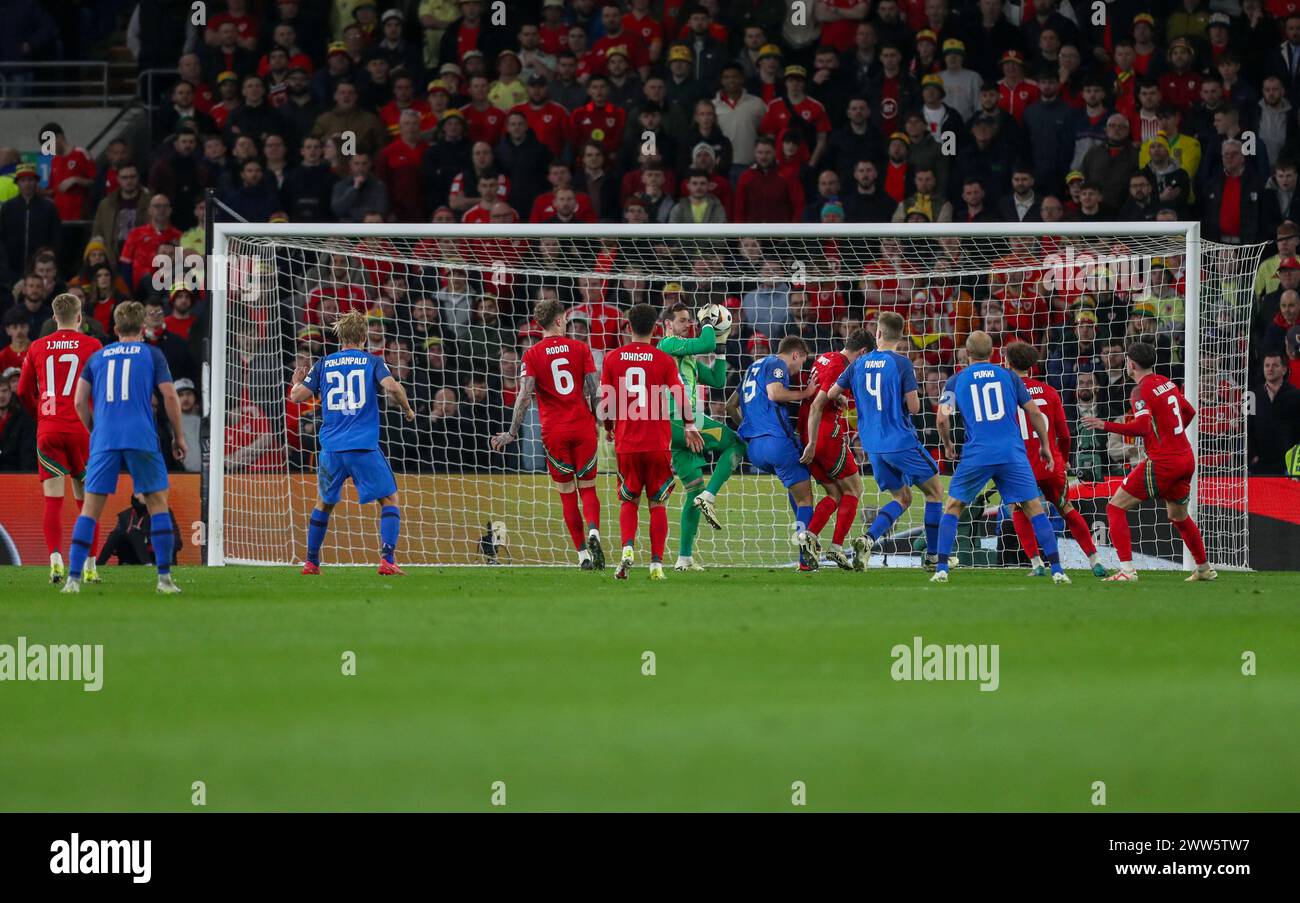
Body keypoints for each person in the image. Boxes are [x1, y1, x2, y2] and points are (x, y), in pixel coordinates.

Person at [63, 302, 186, 595]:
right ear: (142, 328)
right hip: (141, 437)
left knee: (90, 511)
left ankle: (73, 580)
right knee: (157, 505)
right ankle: (164, 580)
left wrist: (95, 429)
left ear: (115, 329)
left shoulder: (97, 357)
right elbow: (169, 396)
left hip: (105, 439)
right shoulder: (152, 354)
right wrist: (178, 436)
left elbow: (79, 401)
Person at [810, 312, 946, 570]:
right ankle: (933, 557)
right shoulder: (902, 364)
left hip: (872, 447)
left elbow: (831, 393)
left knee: (903, 497)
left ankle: (867, 538)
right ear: (900, 336)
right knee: (935, 492)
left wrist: (845, 400)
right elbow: (915, 408)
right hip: (900, 441)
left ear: (878, 334)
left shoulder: (858, 364)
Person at [934, 331, 1070, 585]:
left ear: (967, 353)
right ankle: (1058, 570)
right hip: (1011, 453)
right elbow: (1034, 412)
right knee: (1034, 509)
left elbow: (942, 418)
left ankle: (941, 568)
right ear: (994, 353)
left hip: (978, 453)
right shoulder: (1009, 376)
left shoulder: (955, 380)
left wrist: (948, 444)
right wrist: (1045, 446)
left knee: (953, 507)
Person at [289, 311, 416, 575]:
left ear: (340, 336)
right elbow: (392, 387)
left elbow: (298, 397)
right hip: (362, 447)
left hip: (332, 449)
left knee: (324, 502)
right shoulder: (371, 361)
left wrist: (296, 383)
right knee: (389, 499)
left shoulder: (323, 363)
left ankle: (311, 562)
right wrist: (407, 409)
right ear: (363, 335)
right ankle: (387, 560)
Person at [1081, 341, 1216, 582]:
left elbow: (1142, 427)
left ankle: (1127, 570)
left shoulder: (1140, 391)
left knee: (1115, 507)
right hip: (1185, 458)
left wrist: (1105, 424)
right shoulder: (1166, 382)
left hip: (1164, 461)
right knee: (1179, 516)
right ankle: (1204, 568)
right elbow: (1189, 412)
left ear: (1131, 364)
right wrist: (1170, 435)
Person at [491, 299, 605, 570]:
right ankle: (594, 533)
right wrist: (600, 420)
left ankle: (583, 556)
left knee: (566, 492)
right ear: (557, 320)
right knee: (587, 488)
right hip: (582, 427)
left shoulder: (531, 355)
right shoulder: (580, 348)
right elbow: (595, 389)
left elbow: (523, 396)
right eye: (564, 318)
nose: (566, 322)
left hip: (553, 431)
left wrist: (511, 432)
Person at [600, 302, 701, 580]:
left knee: (628, 501)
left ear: (628, 327)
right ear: (656, 328)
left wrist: (609, 428)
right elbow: (680, 395)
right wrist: (690, 425)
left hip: (627, 442)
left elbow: (606, 402)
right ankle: (656, 564)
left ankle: (628, 550)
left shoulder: (612, 358)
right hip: (657, 442)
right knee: (657, 504)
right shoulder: (663, 359)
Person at [16, 293, 103, 583]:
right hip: (81, 431)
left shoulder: (37, 347)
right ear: (80, 317)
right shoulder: (92, 345)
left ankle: (55, 560)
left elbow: (21, 392)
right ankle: (90, 566)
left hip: (49, 429)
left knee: (53, 502)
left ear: (54, 317)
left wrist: (39, 415)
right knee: (87, 502)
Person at [1002, 341, 1107, 577]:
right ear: (1032, 364)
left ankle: (1038, 564)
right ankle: (1095, 560)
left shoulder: (1006, 393)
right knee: (1066, 508)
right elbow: (1065, 434)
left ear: (1007, 363)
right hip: (1050, 464)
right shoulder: (1049, 392)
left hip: (1021, 466)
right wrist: (1065, 459)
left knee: (1018, 510)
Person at [656, 301, 745, 572]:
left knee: (693, 489)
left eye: (689, 320)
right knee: (737, 444)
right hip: (678, 420)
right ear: (668, 325)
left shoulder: (688, 357)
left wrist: (720, 344)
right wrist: (709, 324)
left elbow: (718, 380)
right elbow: (703, 343)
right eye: (682, 321)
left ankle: (684, 558)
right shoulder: (666, 346)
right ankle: (710, 496)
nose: (687, 325)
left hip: (679, 428)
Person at [730, 335, 821, 568]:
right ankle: (806, 558)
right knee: (806, 499)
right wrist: (806, 393)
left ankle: (805, 547)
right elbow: (775, 393)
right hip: (776, 443)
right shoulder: (777, 364)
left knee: (797, 491)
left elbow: (731, 405)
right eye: (801, 362)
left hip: (755, 450)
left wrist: (748, 429)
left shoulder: (753, 367)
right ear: (795, 354)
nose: (799, 368)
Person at [792, 329, 870, 570]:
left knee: (835, 494)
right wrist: (814, 444)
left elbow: (822, 393)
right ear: (863, 352)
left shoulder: (825, 357)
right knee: (855, 489)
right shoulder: (842, 366)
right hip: (824, 435)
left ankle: (809, 535)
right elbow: (817, 405)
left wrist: (839, 399)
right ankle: (836, 547)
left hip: (806, 432)